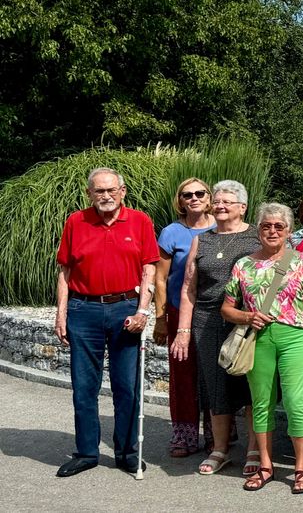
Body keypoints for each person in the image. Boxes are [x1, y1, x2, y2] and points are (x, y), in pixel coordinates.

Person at [54, 168, 159, 478]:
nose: (106, 196)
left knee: (126, 386)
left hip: (125, 307)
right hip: (83, 310)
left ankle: (127, 452)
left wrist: (143, 312)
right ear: (90, 194)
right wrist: (61, 314)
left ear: (122, 191)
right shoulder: (76, 221)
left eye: (111, 190)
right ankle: (86, 452)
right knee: (84, 387)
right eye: (99, 191)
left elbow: (149, 270)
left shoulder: (140, 221)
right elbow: (65, 272)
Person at [221, 203, 303, 494]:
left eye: (279, 226)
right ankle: (266, 465)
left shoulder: (302, 262)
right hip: (259, 339)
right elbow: (226, 309)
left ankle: (301, 466)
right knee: (261, 402)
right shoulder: (243, 265)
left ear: (288, 231)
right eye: (267, 225)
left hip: (295, 338)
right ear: (258, 229)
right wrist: (247, 316)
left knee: (295, 402)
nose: (273, 230)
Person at [178, 180, 261, 476]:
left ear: (243, 206)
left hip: (248, 321)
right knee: (215, 387)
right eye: (218, 201)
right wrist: (183, 330)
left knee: (252, 385)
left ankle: (254, 448)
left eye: (228, 201)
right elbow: (189, 286)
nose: (221, 206)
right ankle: (220, 449)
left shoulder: (257, 237)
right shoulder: (204, 239)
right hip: (207, 320)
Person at [153, 177, 215, 458]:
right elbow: (161, 278)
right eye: (187, 194)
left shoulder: (222, 227)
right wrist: (161, 317)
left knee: (215, 375)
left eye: (200, 193)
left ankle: (218, 434)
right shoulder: (171, 233)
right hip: (180, 311)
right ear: (180, 201)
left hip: (216, 311)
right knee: (183, 374)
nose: (194, 198)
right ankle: (185, 435)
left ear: (209, 197)